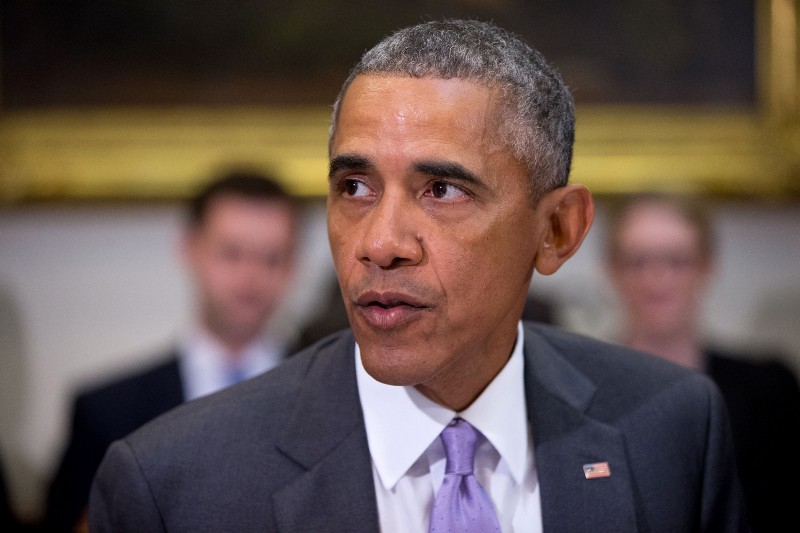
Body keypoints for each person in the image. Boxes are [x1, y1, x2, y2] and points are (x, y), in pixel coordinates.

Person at [89, 20, 746, 532]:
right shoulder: (176, 483)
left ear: (557, 231)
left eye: (442, 190)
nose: (379, 242)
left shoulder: (672, 427)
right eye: (354, 185)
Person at [44, 171, 298, 531]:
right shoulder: (106, 413)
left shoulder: (337, 396)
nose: (250, 277)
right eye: (232, 254)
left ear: (294, 264)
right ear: (189, 249)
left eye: (272, 258)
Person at [606, 192, 800, 533]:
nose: (657, 278)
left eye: (677, 260)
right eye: (638, 260)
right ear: (611, 269)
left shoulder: (769, 391)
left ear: (708, 266)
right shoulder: (574, 390)